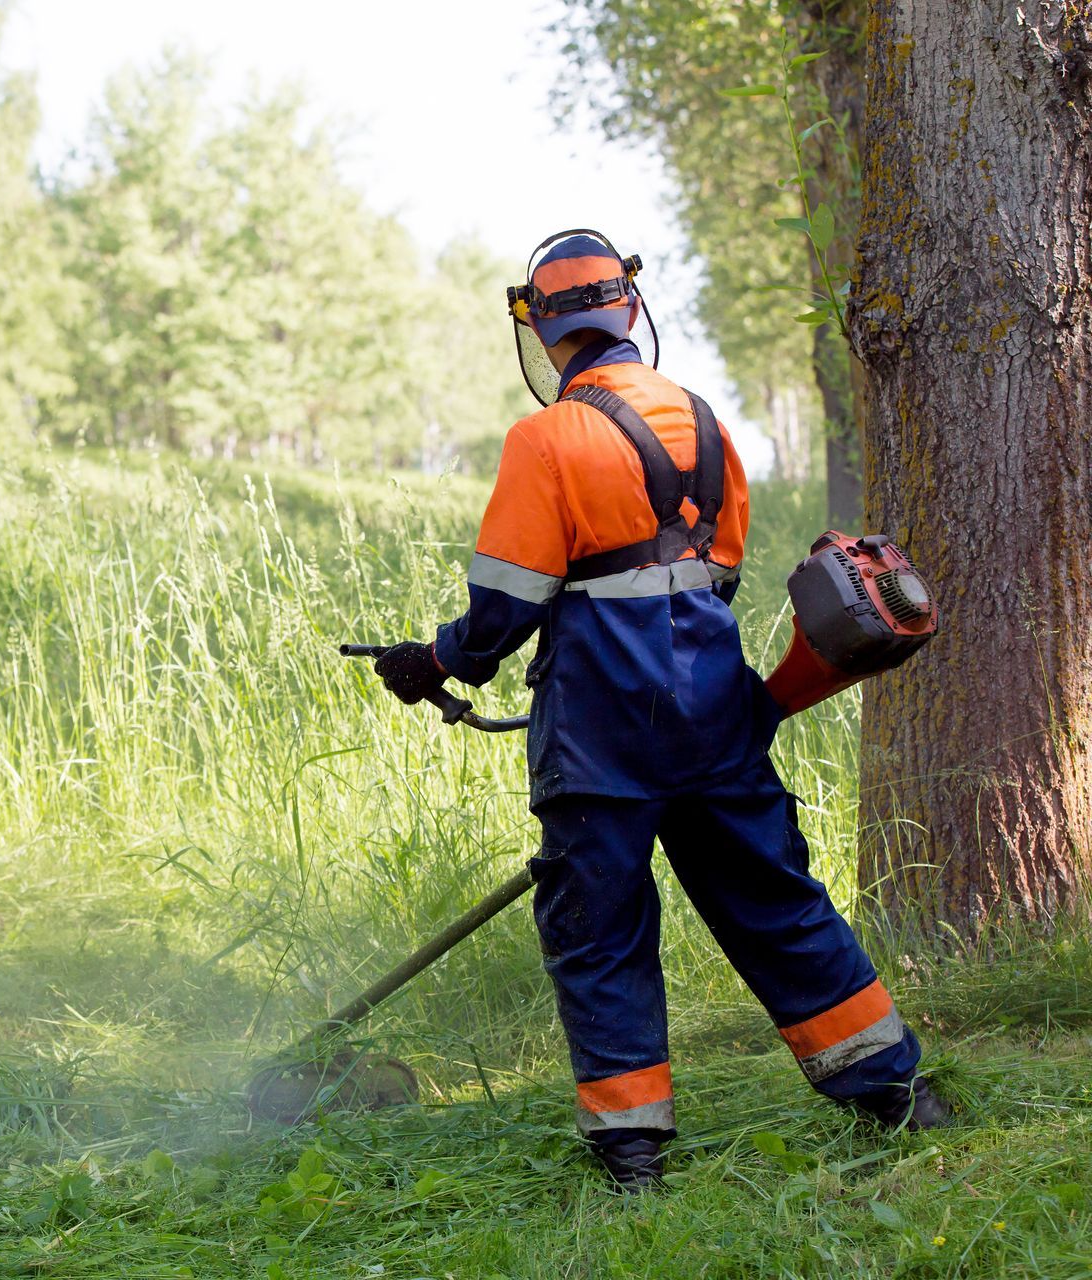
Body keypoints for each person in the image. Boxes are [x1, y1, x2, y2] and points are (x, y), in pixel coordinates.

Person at [372, 230, 950, 1191]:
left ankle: (633, 1153)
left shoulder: (547, 438)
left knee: (601, 930)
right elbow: (715, 571)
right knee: (775, 903)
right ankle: (895, 1094)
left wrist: (432, 660)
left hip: (601, 725)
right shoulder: (705, 421)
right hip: (716, 708)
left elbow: (504, 611)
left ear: (546, 333)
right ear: (629, 312)